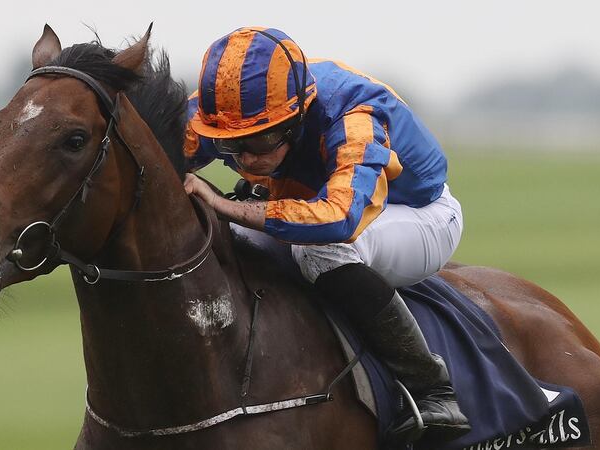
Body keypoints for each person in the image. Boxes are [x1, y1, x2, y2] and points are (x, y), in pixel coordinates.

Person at [183, 27, 469, 444]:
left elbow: (338, 220)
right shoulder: (225, 111)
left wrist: (229, 206)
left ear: (299, 112)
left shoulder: (354, 116)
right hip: (319, 197)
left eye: (261, 139)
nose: (246, 158)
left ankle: (431, 386)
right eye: (230, 144)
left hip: (416, 214)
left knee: (317, 252)